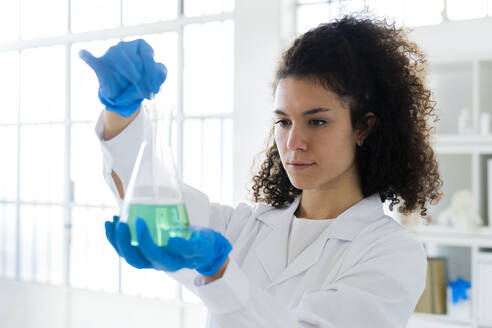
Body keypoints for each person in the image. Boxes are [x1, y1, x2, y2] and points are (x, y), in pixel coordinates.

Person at [81, 15, 442, 327]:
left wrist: (221, 275)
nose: (293, 142)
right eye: (283, 122)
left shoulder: (392, 253)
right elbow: (146, 193)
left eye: (316, 121)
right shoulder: (246, 227)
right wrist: (120, 111)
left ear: (363, 128)